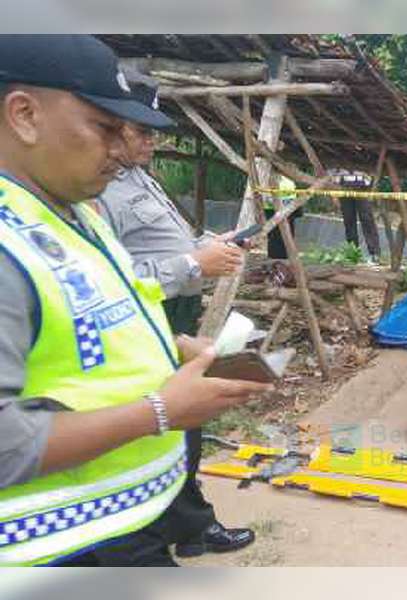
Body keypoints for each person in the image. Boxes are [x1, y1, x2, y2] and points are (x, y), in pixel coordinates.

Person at [0, 35, 269, 567]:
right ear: (25, 115)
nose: (123, 151)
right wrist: (161, 411)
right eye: (105, 129)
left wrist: (173, 348)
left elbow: (90, 320)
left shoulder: (69, 213)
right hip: (55, 549)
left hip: (120, 528)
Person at [95, 71, 255, 561]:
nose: (150, 139)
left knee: (184, 427)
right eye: (139, 129)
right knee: (169, 425)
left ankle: (186, 525)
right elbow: (109, 275)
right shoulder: (94, 189)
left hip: (172, 311)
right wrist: (191, 264)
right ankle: (184, 526)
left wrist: (204, 247)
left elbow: (158, 245)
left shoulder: (138, 176)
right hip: (145, 312)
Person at [331, 169, 381, 265]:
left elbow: (375, 170)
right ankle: (352, 254)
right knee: (349, 221)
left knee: (367, 220)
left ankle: (374, 254)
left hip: (363, 187)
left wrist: (373, 188)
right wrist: (334, 193)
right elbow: (332, 172)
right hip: (343, 187)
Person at [264, 171, 301, 259]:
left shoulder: (267, 178)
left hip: (272, 211)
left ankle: (275, 256)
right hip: (286, 211)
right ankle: (284, 256)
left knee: (274, 236)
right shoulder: (289, 182)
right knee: (286, 235)